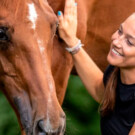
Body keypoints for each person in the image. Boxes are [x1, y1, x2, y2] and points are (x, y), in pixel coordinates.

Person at [57, 0, 135, 135]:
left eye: (129, 42)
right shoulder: (116, 74)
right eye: (120, 31)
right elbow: (100, 90)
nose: (116, 41)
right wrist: (71, 40)